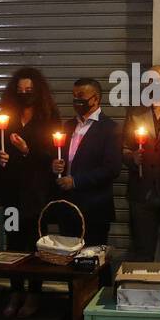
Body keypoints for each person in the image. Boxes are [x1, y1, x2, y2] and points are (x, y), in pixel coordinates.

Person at [0, 67, 59, 319]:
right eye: (20, 91)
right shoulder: (6, 116)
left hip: (36, 191)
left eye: (29, 90)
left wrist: (27, 150)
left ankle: (34, 293)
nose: (24, 94)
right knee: (13, 243)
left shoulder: (49, 116)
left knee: (35, 243)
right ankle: (15, 291)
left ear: (37, 91)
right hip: (9, 189)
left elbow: (53, 154)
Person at [51, 77, 121, 247]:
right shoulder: (68, 126)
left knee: (93, 258)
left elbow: (112, 169)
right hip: (68, 207)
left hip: (94, 208)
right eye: (74, 96)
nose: (76, 100)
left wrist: (76, 181)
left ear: (95, 99)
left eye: (81, 96)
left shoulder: (110, 129)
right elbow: (61, 156)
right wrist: (56, 166)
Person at [122, 64, 160, 262]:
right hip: (142, 188)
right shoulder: (136, 112)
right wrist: (132, 158)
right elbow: (124, 147)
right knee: (143, 248)